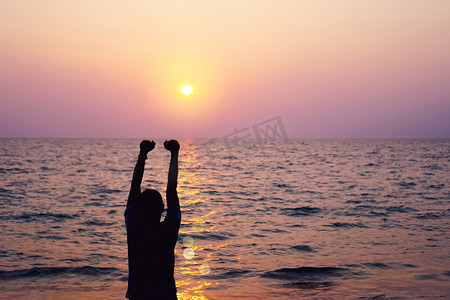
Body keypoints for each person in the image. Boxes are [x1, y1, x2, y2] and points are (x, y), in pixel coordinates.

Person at [124, 139, 181, 300]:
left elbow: (134, 186)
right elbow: (171, 189)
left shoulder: (135, 229)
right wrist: (174, 154)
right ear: (162, 209)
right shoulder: (169, 230)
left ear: (140, 210)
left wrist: (143, 154)